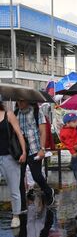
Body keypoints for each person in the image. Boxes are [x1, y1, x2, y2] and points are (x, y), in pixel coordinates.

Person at [15, 100, 55, 207]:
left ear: (27, 100)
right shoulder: (16, 113)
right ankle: (22, 205)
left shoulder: (37, 112)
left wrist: (42, 149)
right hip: (21, 150)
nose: (19, 103)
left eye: (22, 101)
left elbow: (43, 132)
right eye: (18, 101)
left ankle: (48, 191)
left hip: (34, 149)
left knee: (36, 175)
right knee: (20, 177)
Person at [0, 97, 27, 228]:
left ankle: (16, 215)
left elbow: (19, 134)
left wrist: (23, 152)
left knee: (14, 189)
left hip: (9, 157)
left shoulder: (8, 114)